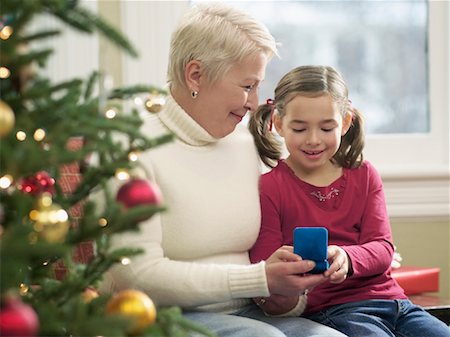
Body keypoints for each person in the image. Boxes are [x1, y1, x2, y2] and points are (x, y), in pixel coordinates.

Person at [101, 4, 346, 337]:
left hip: (250, 312)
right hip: (158, 317)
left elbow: (267, 262)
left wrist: (285, 291)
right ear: (196, 75)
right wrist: (258, 278)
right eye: (247, 86)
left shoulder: (246, 144)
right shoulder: (132, 147)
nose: (255, 103)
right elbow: (137, 274)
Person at [248, 65, 450, 337]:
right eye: (299, 128)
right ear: (279, 123)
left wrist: (347, 256)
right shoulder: (270, 187)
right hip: (335, 310)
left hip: (395, 302)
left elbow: (382, 248)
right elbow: (265, 265)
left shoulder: (364, 175)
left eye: (326, 127)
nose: (313, 139)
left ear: (345, 122)